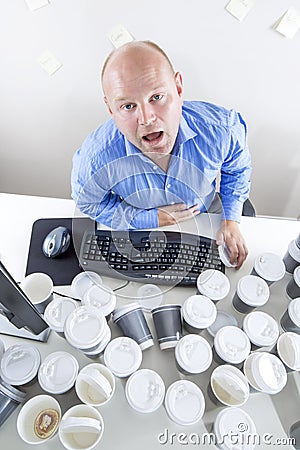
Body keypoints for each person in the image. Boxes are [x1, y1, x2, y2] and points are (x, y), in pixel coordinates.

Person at [71, 40, 252, 268]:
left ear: (178, 88)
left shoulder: (221, 130)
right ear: (110, 109)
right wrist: (147, 219)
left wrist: (231, 220)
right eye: (128, 106)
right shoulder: (95, 159)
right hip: (144, 233)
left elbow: (237, 170)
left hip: (207, 220)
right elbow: (89, 202)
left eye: (156, 97)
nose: (146, 119)